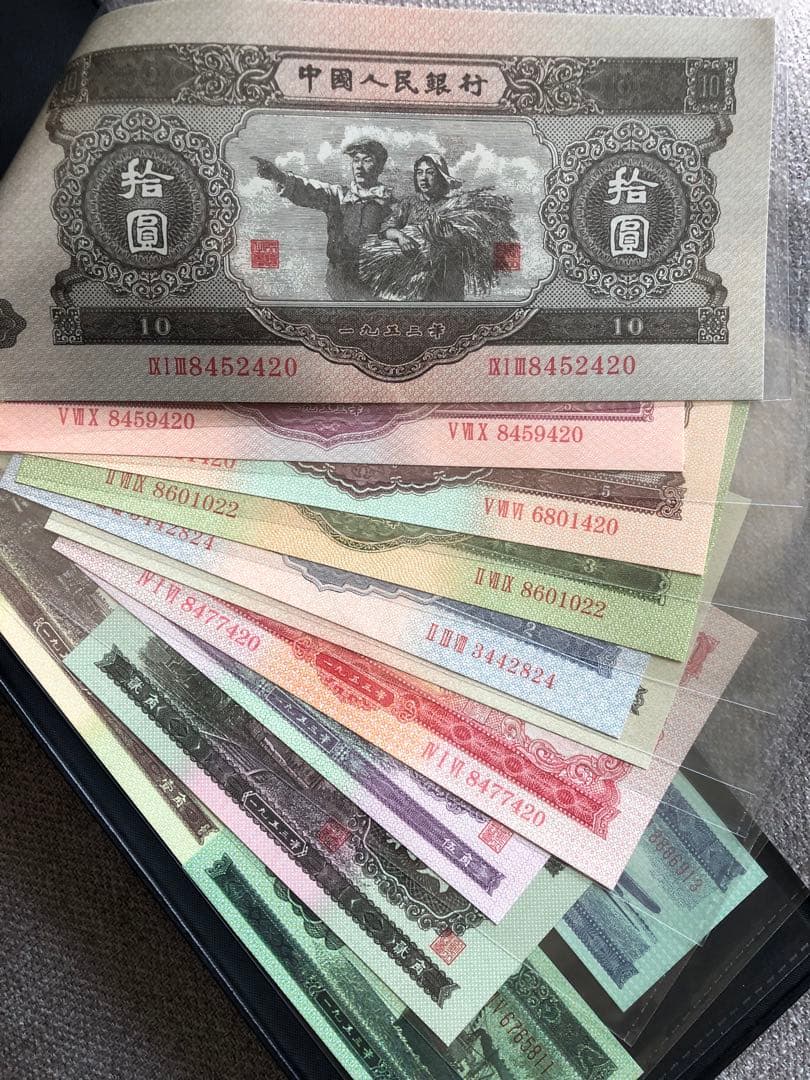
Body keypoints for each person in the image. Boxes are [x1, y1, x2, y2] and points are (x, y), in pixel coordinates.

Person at [358, 153, 517, 302]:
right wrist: (401, 237)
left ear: (441, 176)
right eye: (419, 173)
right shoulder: (408, 204)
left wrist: (453, 240)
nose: (423, 178)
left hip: (447, 280)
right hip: (414, 278)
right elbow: (385, 230)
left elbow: (471, 250)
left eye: (430, 172)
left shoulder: (455, 207)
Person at [252, 139, 393, 301]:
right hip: (338, 279)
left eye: (367, 160)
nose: (359, 166)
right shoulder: (338, 196)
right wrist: (278, 176)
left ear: (380, 167)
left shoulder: (390, 204)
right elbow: (309, 189)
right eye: (356, 160)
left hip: (375, 282)